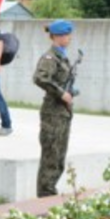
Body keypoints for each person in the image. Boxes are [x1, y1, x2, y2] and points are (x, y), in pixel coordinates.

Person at [33, 19, 76, 198]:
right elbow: (40, 77)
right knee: (51, 157)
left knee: (59, 158)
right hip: (53, 113)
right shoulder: (50, 57)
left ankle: (49, 194)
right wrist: (61, 93)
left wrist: (68, 92)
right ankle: (45, 196)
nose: (69, 38)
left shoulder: (62, 56)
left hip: (62, 112)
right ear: (57, 36)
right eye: (66, 35)